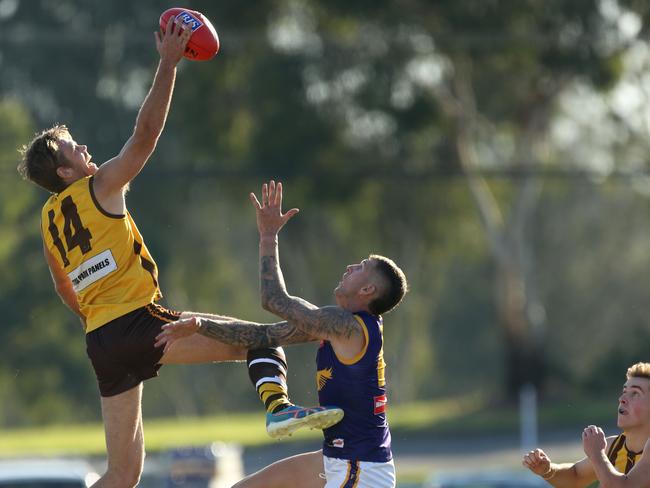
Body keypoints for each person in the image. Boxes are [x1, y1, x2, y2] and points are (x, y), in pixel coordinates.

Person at [17, 20, 338, 488]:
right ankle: (280, 410)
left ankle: (290, 388)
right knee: (258, 338)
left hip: (102, 342)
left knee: (122, 474)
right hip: (142, 324)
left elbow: (63, 286)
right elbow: (145, 136)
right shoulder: (97, 184)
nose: (84, 146)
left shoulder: (48, 220)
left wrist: (99, 319)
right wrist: (168, 63)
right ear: (65, 171)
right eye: (73, 147)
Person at [156, 180, 409, 488]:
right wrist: (200, 325)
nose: (350, 266)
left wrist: (267, 237)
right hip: (340, 460)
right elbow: (261, 337)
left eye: (361, 267)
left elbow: (274, 300)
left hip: (359, 469)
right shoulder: (334, 326)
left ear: (368, 290)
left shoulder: (347, 327)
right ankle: (280, 410)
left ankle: (280, 411)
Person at [522, 362, 650, 487]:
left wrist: (597, 455)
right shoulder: (612, 446)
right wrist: (547, 470)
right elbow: (576, 476)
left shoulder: (601, 452)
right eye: (624, 391)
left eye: (635, 393)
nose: (622, 399)